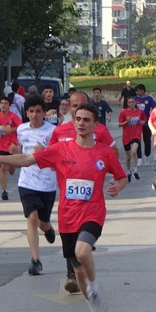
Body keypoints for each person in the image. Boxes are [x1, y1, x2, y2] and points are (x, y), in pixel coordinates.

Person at [0, 103, 128, 312]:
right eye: (78, 119)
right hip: (67, 217)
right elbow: (27, 159)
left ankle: (94, 288)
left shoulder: (104, 153)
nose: (81, 123)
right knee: (77, 272)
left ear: (96, 125)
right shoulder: (61, 150)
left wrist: (118, 186)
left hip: (93, 213)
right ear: (73, 122)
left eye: (87, 120)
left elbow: (122, 176)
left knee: (83, 251)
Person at [50, 91, 118, 293]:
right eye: (73, 107)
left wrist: (102, 167)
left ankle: (81, 270)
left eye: (82, 106)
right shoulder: (60, 132)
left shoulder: (100, 132)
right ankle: (75, 273)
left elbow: (112, 153)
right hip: (68, 204)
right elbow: (44, 157)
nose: (79, 118)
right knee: (73, 247)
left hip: (92, 206)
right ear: (69, 108)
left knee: (82, 247)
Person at [13, 95, 57, 275]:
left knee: (42, 221)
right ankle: (36, 260)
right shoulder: (21, 129)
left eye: (38, 111)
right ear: (26, 113)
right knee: (32, 218)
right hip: (27, 181)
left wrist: (44, 153)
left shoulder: (53, 131)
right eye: (31, 111)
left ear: (45, 113)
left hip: (47, 183)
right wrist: (16, 152)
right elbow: (21, 150)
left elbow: (57, 158)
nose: (34, 115)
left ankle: (48, 228)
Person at [0, 97, 22, 200]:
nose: (3, 105)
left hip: (11, 146)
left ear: (9, 106)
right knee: (3, 168)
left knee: (11, 170)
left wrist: (11, 130)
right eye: (1, 103)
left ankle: (12, 166)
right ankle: (4, 191)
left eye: (5, 103)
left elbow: (21, 127)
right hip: (1, 145)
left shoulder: (13, 116)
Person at [118, 97, 146, 181]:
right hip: (126, 136)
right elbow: (119, 124)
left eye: (132, 102)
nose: (131, 104)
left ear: (135, 103)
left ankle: (135, 170)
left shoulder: (140, 112)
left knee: (134, 152)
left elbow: (144, 120)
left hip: (136, 135)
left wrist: (142, 122)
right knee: (128, 156)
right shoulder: (124, 112)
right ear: (127, 104)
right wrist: (126, 121)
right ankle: (128, 171)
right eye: (129, 102)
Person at [133, 84, 156, 166]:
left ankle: (147, 156)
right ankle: (139, 157)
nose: (137, 92)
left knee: (147, 139)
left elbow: (155, 107)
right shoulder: (135, 99)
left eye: (138, 90)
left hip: (146, 122)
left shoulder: (149, 99)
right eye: (136, 91)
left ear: (143, 90)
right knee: (137, 140)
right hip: (137, 123)